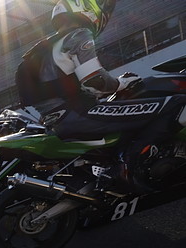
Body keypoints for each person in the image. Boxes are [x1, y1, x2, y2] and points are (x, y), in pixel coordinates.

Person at [16, 0, 185, 193]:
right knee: (177, 103)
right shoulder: (78, 35)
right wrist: (122, 83)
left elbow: (66, 87)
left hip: (55, 120)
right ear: (87, 8)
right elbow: (94, 80)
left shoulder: (39, 50)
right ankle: (128, 165)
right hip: (81, 114)